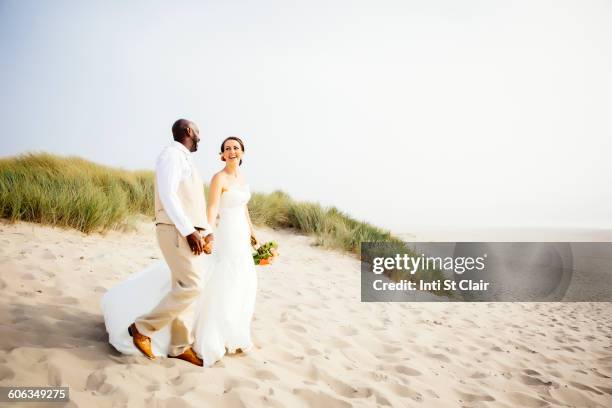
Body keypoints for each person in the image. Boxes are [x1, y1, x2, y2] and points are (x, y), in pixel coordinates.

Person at [101, 129, 258, 368]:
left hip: (238, 235)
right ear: (221, 155)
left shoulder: (242, 178)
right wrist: (206, 232)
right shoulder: (207, 172)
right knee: (196, 284)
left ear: (243, 152)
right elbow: (209, 206)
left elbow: (244, 207)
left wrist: (252, 231)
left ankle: (185, 344)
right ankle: (143, 328)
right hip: (211, 232)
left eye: (236, 147)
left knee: (235, 282)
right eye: (227, 148)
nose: (231, 151)